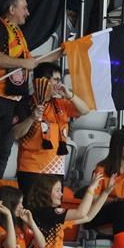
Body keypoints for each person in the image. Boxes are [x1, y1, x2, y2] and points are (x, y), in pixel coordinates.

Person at [0, 0, 60, 180]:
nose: (28, 12)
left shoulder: (17, 33)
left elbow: (30, 61)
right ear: (12, 9)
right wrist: (23, 63)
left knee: (2, 152)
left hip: (11, 99)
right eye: (24, 8)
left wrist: (60, 53)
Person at [11, 62, 89, 194]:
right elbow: (15, 134)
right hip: (31, 169)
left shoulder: (61, 103)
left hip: (56, 169)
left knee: (54, 206)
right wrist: (32, 118)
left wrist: (69, 95)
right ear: (43, 81)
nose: (59, 84)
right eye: (56, 80)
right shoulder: (25, 103)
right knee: (31, 205)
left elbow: (85, 110)